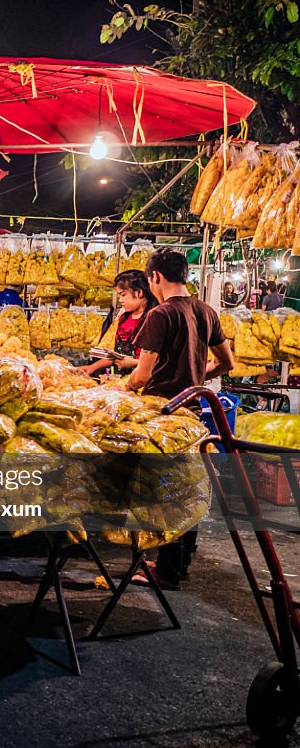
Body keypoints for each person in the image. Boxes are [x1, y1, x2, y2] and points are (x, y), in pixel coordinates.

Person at [124, 247, 234, 591]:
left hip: (164, 414)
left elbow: (141, 376)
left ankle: (167, 571)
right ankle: (178, 561)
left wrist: (120, 388)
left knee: (165, 490)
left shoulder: (160, 315)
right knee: (186, 486)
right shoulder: (206, 311)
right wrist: (197, 379)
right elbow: (228, 362)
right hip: (194, 412)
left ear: (155, 277)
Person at [80, 270, 158, 376]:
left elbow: (160, 361)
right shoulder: (124, 318)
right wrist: (92, 368)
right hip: (121, 381)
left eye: (123, 295)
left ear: (139, 293)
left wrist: (134, 362)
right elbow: (117, 355)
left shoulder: (155, 319)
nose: (120, 300)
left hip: (144, 381)